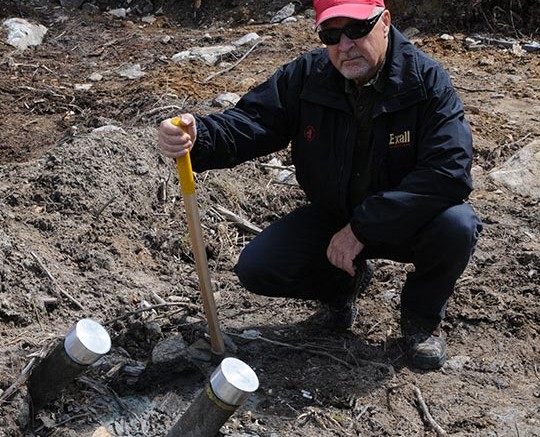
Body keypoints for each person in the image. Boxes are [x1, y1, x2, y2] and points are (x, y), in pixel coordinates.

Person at [158, 0, 483, 370]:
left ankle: (421, 319)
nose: (345, 45)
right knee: (259, 267)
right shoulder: (307, 75)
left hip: (408, 220)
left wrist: (363, 227)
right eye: (331, 34)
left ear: (385, 22)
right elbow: (253, 122)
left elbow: (449, 170)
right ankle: (342, 288)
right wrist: (200, 136)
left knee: (457, 225)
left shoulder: (425, 80)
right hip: (334, 213)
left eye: (357, 30)